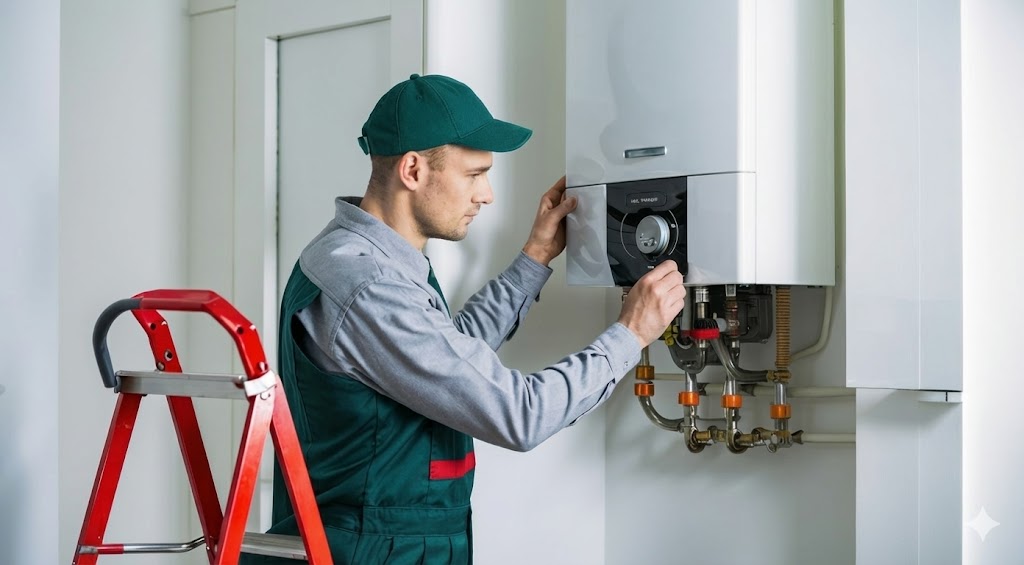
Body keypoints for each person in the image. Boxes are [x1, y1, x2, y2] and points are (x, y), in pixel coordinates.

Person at [249, 74, 685, 565]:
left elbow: (443, 358)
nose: (487, 194)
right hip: (371, 549)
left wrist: (535, 257)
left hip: (393, 543)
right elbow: (521, 415)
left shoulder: (365, 259)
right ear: (413, 170)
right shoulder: (369, 283)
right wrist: (630, 334)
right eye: (474, 174)